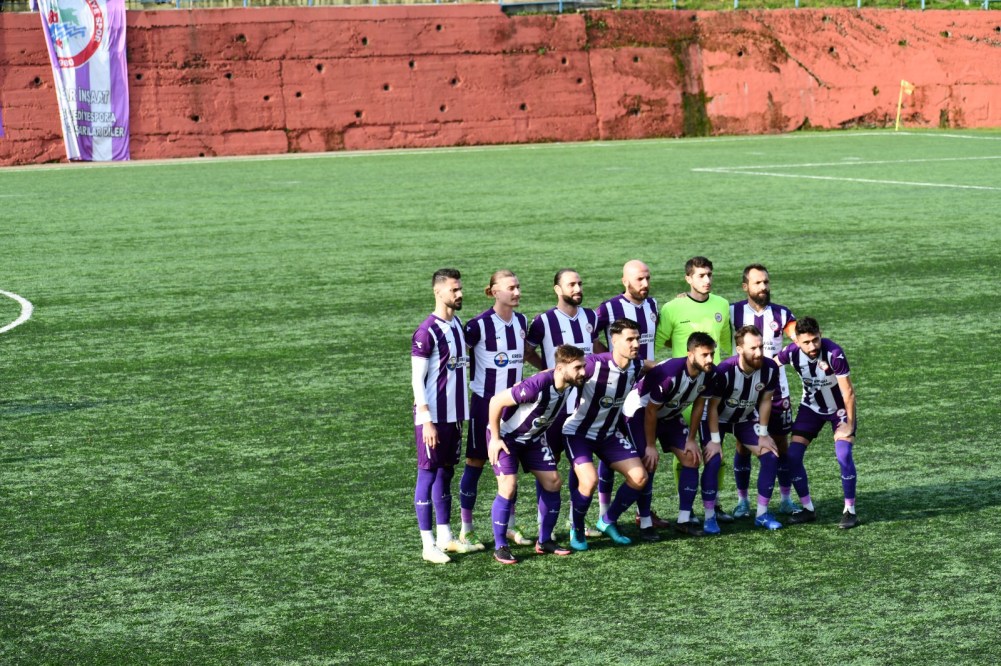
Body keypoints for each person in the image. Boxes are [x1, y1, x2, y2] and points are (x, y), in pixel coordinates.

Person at [487, 345, 587, 564]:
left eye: (583, 366)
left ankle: (544, 541)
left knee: (553, 482)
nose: (583, 372)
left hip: (533, 439)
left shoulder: (567, 382)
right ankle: (500, 546)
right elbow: (496, 402)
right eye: (578, 367)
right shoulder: (536, 386)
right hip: (507, 437)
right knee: (508, 486)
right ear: (560, 369)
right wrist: (495, 438)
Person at [655, 256, 734, 522]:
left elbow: (725, 344)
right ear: (688, 278)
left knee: (716, 448)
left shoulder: (722, 304)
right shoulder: (672, 308)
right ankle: (686, 508)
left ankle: (715, 503)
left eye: (709, 274)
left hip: (713, 389)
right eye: (701, 275)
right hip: (683, 393)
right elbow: (659, 341)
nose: (707, 280)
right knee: (685, 453)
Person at [525, 268, 602, 537]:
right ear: (558, 290)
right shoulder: (543, 321)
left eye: (580, 283)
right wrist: (547, 370)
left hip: (585, 405)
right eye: (571, 285)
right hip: (556, 408)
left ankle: (574, 520)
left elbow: (596, 347)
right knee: (550, 463)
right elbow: (527, 350)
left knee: (579, 462)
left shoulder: (591, 316)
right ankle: (543, 523)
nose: (578, 288)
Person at [562, 318, 648, 551]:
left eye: (638, 339)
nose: (636, 344)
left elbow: (655, 367)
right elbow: (559, 375)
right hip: (578, 434)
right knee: (589, 481)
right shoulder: (592, 365)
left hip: (608, 435)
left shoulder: (636, 366)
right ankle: (577, 527)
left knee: (639, 477)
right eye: (630, 339)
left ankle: (607, 520)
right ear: (614, 340)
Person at [458, 270, 529, 552]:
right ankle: (467, 529)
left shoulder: (522, 321)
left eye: (518, 287)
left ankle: (511, 525)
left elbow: (526, 354)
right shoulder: (477, 326)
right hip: (484, 405)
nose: (517, 292)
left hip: (514, 407)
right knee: (475, 463)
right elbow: (457, 357)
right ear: (494, 292)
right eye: (511, 288)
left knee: (511, 465)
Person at [622, 332, 718, 540]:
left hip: (669, 413)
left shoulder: (710, 373)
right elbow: (650, 411)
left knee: (691, 458)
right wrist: (650, 445)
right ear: (690, 354)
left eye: (711, 354)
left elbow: (699, 406)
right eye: (704, 355)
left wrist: (691, 440)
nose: (710, 359)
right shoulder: (670, 373)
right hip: (640, 412)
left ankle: (684, 520)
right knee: (649, 462)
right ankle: (645, 522)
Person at [594, 260, 667, 531]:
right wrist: (610, 360)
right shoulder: (608, 308)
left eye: (648, 278)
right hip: (616, 390)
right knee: (609, 453)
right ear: (625, 281)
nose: (645, 284)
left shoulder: (653, 305)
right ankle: (604, 513)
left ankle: (642, 513)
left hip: (646, 391)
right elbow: (590, 336)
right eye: (639, 279)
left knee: (645, 452)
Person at [411, 268, 473, 564]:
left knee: (446, 472)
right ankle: (428, 544)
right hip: (432, 418)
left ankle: (446, 537)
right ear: (438, 291)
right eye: (454, 290)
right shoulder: (427, 331)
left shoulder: (457, 323)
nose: (459, 294)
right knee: (427, 474)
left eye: (460, 289)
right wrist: (426, 421)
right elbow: (416, 379)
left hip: (454, 416)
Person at [729, 264, 799, 518]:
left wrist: (785, 356)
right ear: (745, 286)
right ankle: (743, 501)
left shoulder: (782, 314)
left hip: (777, 391)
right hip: (744, 390)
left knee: (780, 443)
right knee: (743, 444)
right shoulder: (732, 312)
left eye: (766, 282)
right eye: (757, 283)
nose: (763, 287)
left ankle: (786, 499)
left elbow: (799, 339)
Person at [776, 317, 859, 529]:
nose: (812, 346)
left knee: (843, 454)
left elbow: (848, 392)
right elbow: (771, 364)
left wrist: (849, 424)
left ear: (820, 335)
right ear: (797, 341)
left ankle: (850, 510)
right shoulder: (791, 353)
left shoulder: (834, 353)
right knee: (792, 456)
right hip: (811, 409)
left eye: (815, 340)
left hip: (839, 410)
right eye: (806, 342)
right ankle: (808, 509)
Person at [702, 325, 783, 534]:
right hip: (717, 419)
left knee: (770, 456)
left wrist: (763, 434)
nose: (759, 352)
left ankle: (762, 514)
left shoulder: (770, 368)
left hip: (744, 418)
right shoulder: (724, 371)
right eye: (752, 348)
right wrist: (715, 441)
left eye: (760, 347)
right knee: (713, 459)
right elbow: (712, 407)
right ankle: (710, 517)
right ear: (739, 349)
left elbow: (765, 401)